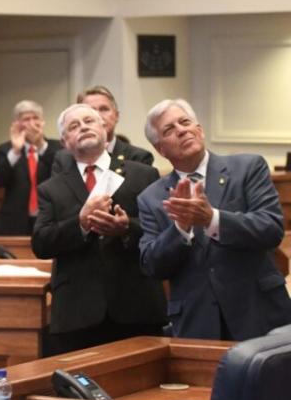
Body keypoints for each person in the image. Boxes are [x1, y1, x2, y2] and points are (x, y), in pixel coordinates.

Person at [138, 98, 291, 340]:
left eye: (185, 122)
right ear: (160, 149)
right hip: (198, 324)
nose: (181, 130)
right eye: (169, 129)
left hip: (259, 314)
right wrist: (180, 228)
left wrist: (213, 220)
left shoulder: (247, 167)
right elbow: (152, 265)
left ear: (199, 129)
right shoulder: (151, 198)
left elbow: (271, 228)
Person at [32, 104, 166, 354]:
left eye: (89, 121)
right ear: (64, 141)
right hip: (77, 313)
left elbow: (162, 230)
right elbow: (41, 243)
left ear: (104, 129)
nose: (83, 127)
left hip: (136, 306)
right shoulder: (52, 188)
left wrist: (127, 228)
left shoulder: (143, 175)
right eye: (74, 126)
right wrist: (80, 223)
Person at [0, 100, 62, 235]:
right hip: (14, 222)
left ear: (42, 122)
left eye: (36, 118)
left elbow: (60, 176)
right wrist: (16, 151)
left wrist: (41, 145)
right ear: (17, 124)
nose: (31, 123)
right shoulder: (5, 149)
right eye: (26, 119)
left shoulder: (57, 148)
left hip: (49, 220)